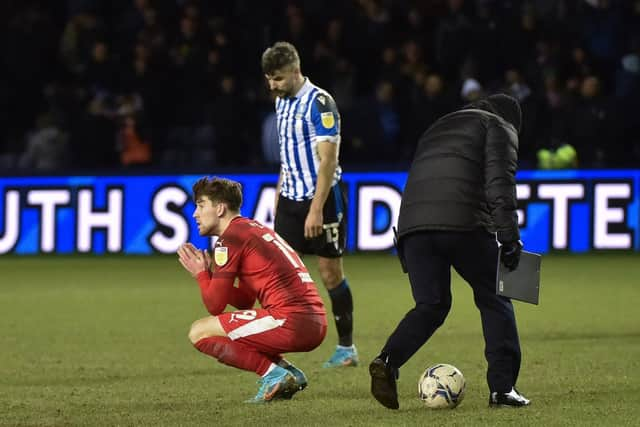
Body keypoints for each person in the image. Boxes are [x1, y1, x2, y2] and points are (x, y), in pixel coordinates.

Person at [369, 94, 531, 409]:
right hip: (463, 223)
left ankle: (387, 360)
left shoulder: (436, 128)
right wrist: (510, 237)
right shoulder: (499, 126)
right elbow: (500, 183)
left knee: (431, 304)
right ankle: (503, 389)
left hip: (412, 227)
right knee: (494, 297)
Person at [178, 176, 327, 403]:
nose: (195, 214)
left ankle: (274, 374)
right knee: (236, 327)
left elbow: (214, 305)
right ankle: (289, 373)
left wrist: (201, 274)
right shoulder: (251, 230)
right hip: (313, 321)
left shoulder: (230, 239)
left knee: (199, 331)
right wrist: (214, 276)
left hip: (292, 320)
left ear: (219, 209)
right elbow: (245, 300)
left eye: (200, 205)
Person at [261, 41, 358, 368]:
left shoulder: (321, 104)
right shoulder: (281, 103)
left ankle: (346, 349)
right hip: (290, 200)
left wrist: (316, 208)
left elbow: (328, 161)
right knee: (278, 275)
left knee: (330, 272)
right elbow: (287, 157)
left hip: (323, 199)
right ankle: (278, 351)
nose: (272, 86)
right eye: (269, 79)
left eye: (278, 79)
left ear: (295, 71)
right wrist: (278, 197)